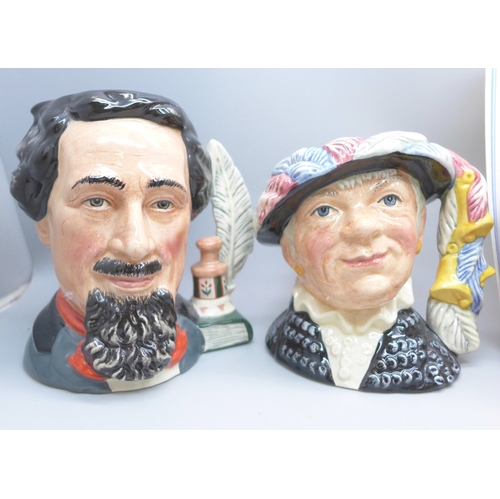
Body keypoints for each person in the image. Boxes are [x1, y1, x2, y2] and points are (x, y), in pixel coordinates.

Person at [256, 131, 494, 393]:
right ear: (290, 251)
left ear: (420, 226)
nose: (363, 228)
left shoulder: (429, 359)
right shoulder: (288, 339)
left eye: (389, 200)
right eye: (324, 210)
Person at [10, 90, 212, 393]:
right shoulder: (48, 345)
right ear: (44, 223)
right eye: (96, 202)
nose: (135, 245)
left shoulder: (191, 329)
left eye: (163, 204)